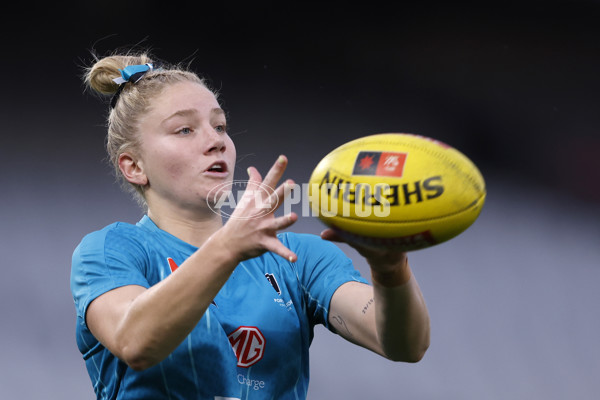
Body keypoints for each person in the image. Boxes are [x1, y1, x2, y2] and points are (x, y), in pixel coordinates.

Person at [70, 50, 431, 400]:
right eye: (184, 130)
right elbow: (135, 341)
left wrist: (389, 269)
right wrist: (229, 246)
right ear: (134, 166)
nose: (215, 142)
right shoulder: (111, 250)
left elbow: (404, 345)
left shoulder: (297, 257)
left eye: (220, 125)